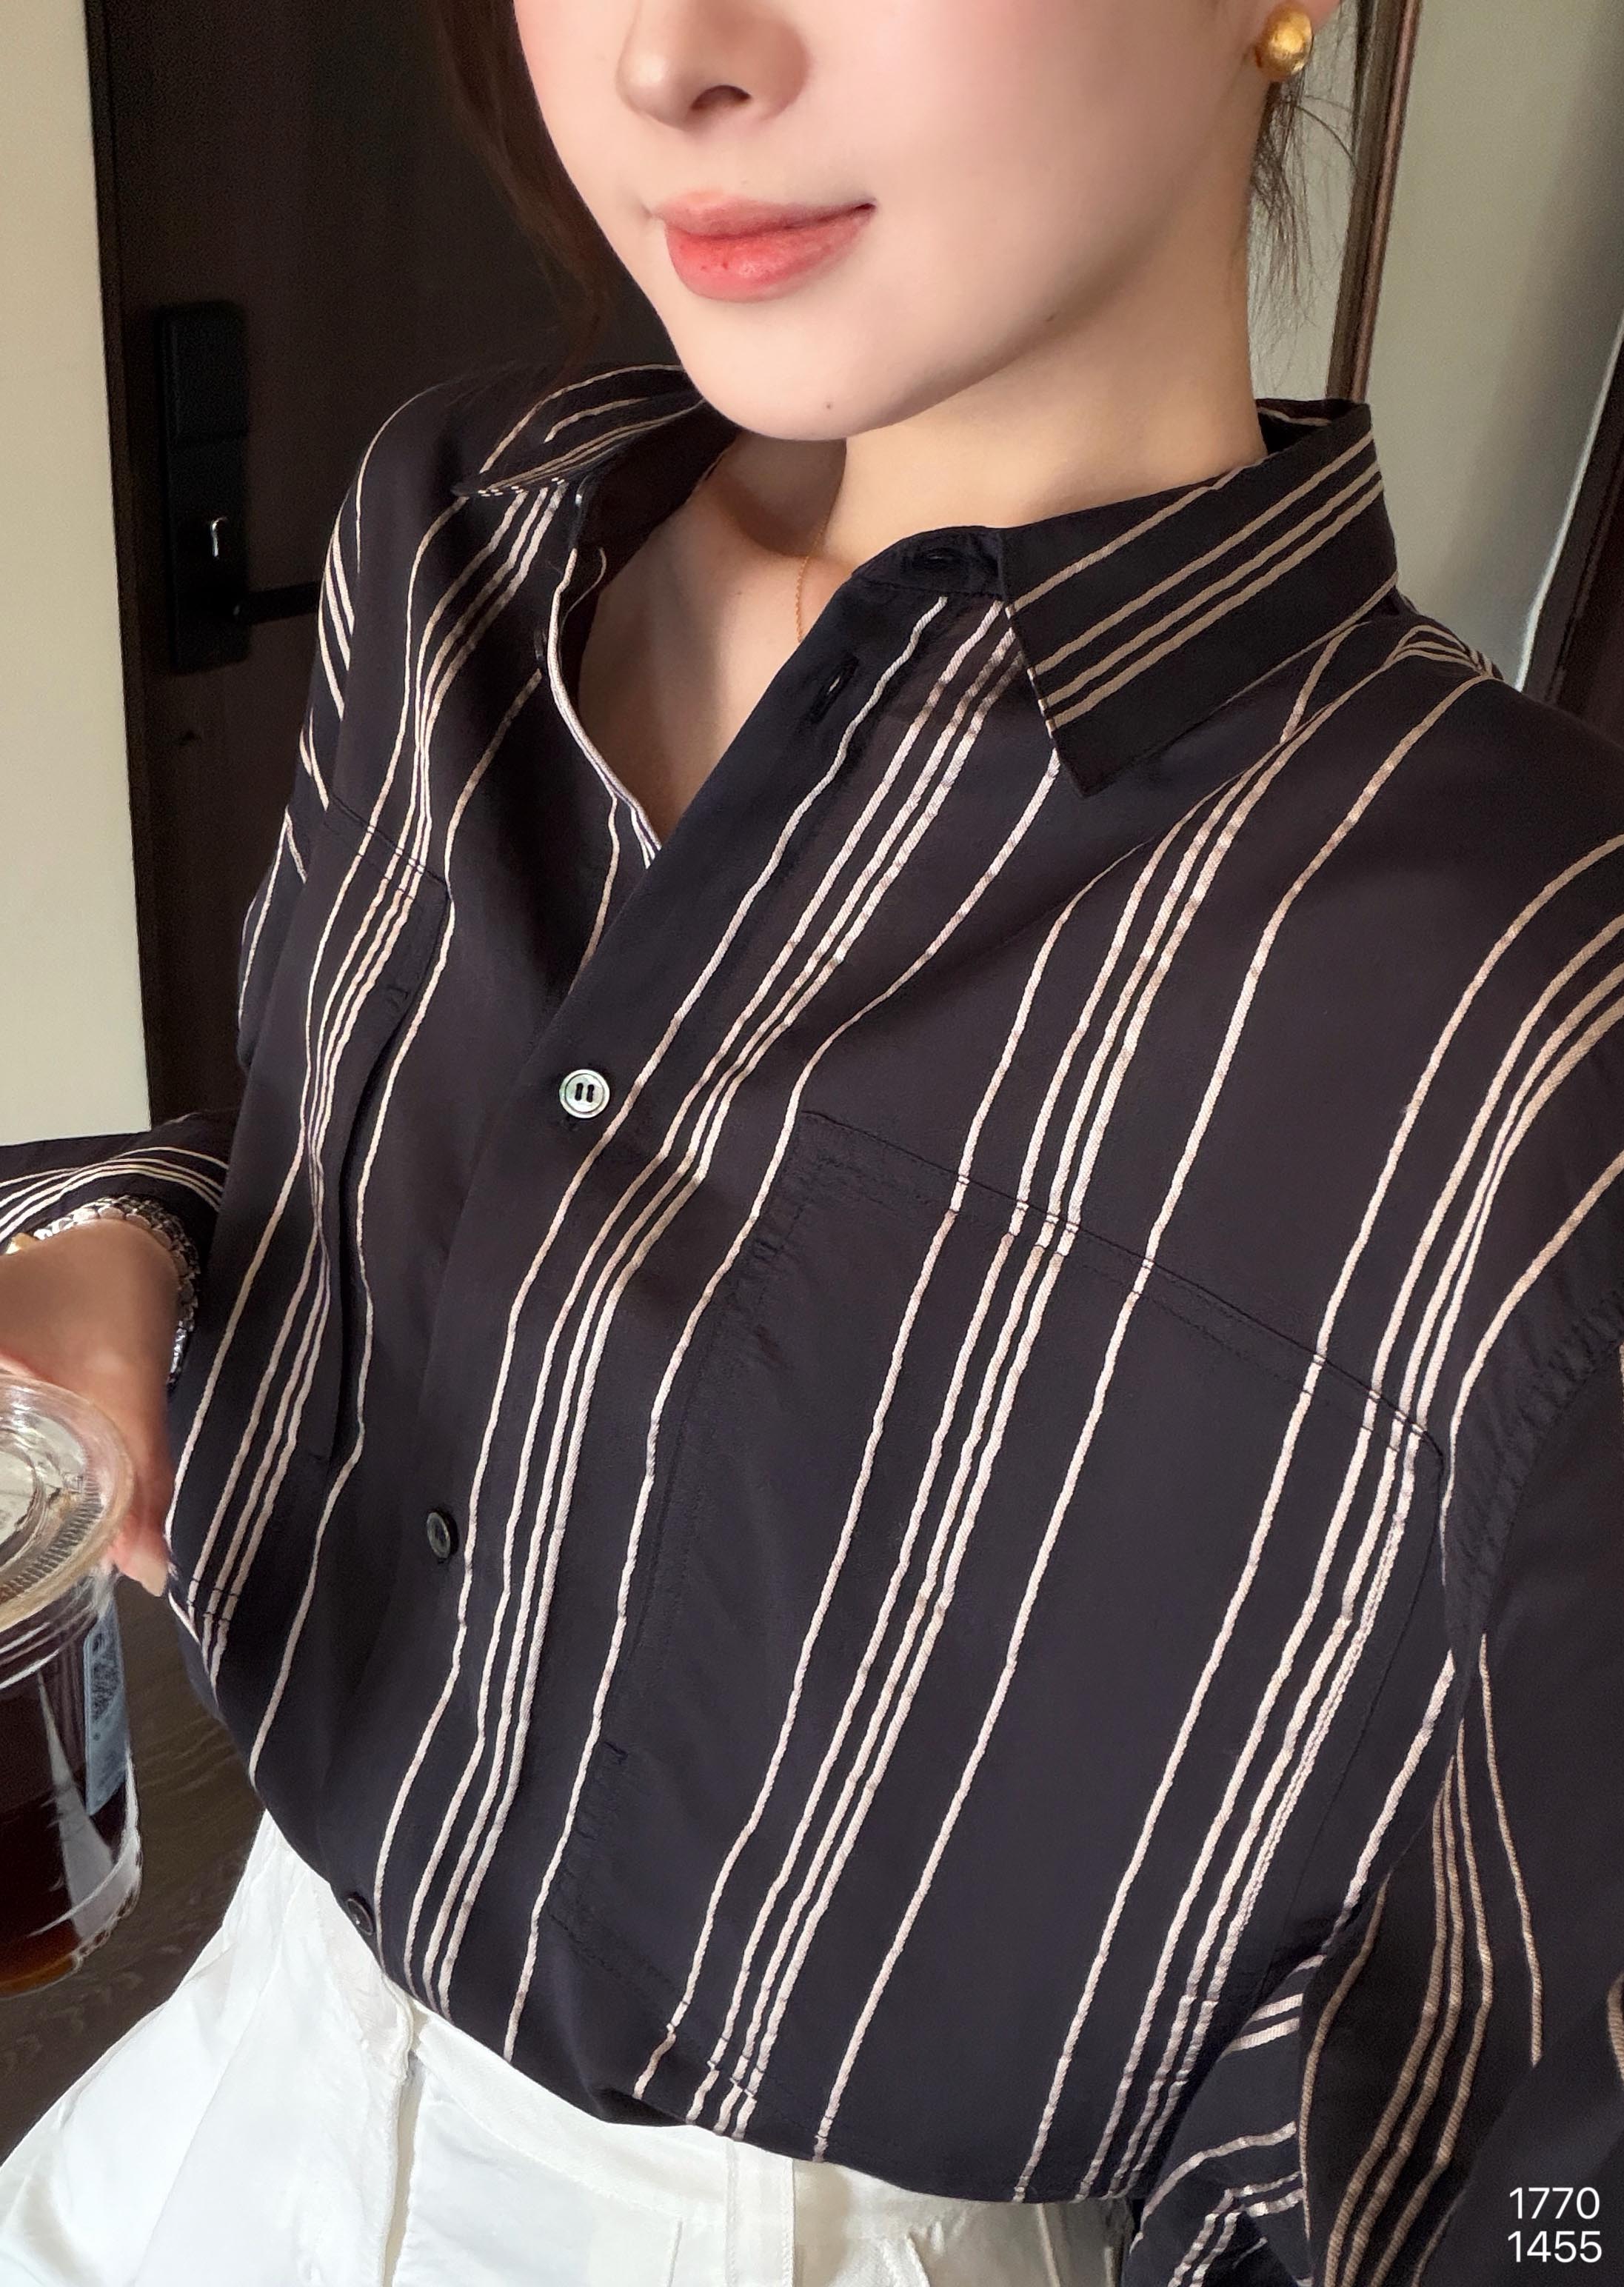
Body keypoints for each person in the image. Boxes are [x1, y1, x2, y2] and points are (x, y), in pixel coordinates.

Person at [1, 0, 1622, 2280]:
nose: (667, 56)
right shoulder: (456, 523)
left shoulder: (1528, 991)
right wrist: (119, 1244)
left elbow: (1487, 2138)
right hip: (216, 2088)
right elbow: (367, 1181)